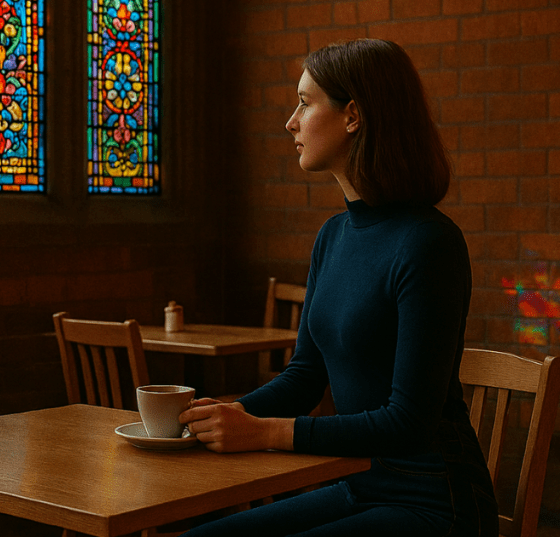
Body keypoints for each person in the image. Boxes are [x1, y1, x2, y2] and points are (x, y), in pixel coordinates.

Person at [178, 39, 498, 536]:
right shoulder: (332, 235)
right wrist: (226, 414)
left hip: (436, 501)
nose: (291, 121)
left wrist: (262, 432)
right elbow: (306, 376)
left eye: (305, 103)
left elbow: (408, 421)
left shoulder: (430, 242)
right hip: (358, 483)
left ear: (353, 115)